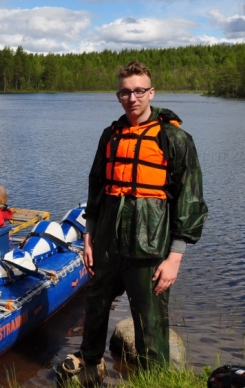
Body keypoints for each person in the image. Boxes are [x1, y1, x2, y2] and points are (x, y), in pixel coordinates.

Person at [61, 61, 208, 385]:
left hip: (151, 245)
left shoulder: (174, 138)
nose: (133, 98)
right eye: (126, 92)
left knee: (150, 320)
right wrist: (89, 236)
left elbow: (190, 199)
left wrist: (175, 257)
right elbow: (96, 188)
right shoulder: (110, 136)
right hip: (108, 242)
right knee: (97, 303)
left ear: (151, 92)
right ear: (118, 96)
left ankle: (153, 379)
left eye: (139, 91)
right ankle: (90, 363)